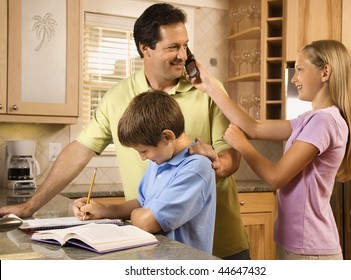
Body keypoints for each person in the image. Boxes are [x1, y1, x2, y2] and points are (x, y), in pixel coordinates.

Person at [0, 3, 250, 259]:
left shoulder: (208, 89)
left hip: (219, 241)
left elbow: (231, 156)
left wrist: (213, 163)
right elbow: (79, 150)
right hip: (153, 246)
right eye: (173, 47)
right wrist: (30, 205)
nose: (183, 55)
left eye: (185, 45)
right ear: (145, 48)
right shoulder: (117, 97)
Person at [190, 39, 351, 260]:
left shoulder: (324, 121)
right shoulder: (311, 119)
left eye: (300, 69)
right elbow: (254, 127)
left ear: (325, 72)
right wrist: (210, 87)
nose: (294, 78)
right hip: (300, 245)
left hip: (310, 250)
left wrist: (242, 145)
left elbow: (276, 177)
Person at [73, 91, 216, 253]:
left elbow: (147, 222)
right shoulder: (161, 160)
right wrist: (104, 210)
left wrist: (138, 215)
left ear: (167, 137)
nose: (143, 158)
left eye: (144, 151)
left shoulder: (196, 167)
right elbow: (143, 203)